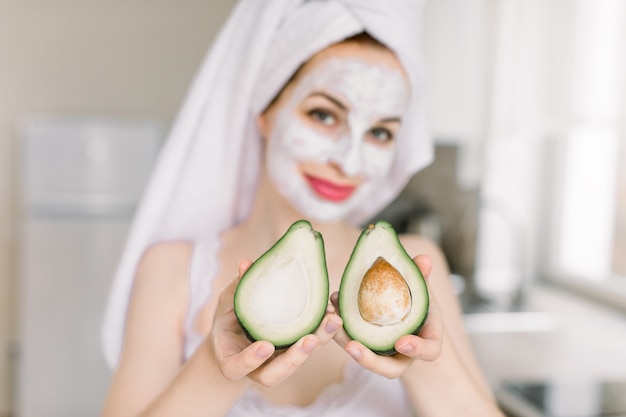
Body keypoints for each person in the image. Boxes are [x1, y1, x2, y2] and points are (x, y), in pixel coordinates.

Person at [100, 1, 505, 416]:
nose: (349, 162)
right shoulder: (173, 271)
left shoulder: (418, 269)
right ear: (265, 112)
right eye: (324, 115)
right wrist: (216, 365)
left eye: (380, 132)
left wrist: (421, 356)